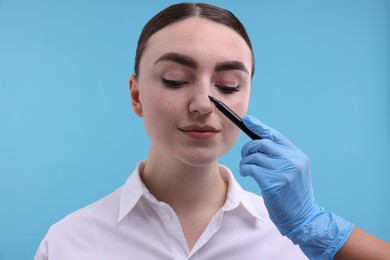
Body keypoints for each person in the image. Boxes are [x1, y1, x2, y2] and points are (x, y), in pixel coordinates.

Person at [35, 3, 390, 260]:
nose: (203, 104)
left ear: (247, 95)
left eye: (228, 85)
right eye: (175, 80)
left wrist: (315, 227)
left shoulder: (296, 244)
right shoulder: (69, 242)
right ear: (136, 94)